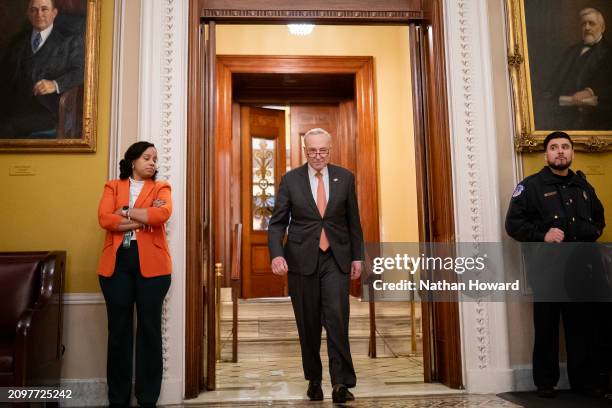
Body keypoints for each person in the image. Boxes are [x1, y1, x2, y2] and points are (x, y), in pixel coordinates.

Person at [505, 131, 605, 398]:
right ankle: (545, 383)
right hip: (547, 270)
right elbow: (513, 224)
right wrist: (543, 235)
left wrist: (590, 233)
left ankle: (584, 382)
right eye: (554, 147)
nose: (560, 151)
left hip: (582, 271)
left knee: (582, 328)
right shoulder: (531, 186)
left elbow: (599, 219)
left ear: (571, 152)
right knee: (547, 328)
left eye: (565, 147)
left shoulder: (583, 186)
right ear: (546, 154)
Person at [268, 128, 364, 403]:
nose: (318, 156)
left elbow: (353, 222)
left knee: (337, 320)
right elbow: (277, 224)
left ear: (330, 149)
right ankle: (314, 380)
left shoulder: (345, 177)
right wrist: (277, 254)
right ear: (305, 150)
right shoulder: (290, 180)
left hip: (336, 258)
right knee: (308, 324)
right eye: (312, 151)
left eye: (323, 151)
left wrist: (357, 256)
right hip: (301, 260)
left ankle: (341, 384)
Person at [97, 141, 172, 408]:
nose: (152, 162)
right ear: (132, 161)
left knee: (150, 330)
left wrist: (125, 212)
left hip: (153, 267)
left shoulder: (161, 187)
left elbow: (161, 214)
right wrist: (142, 218)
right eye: (146, 158)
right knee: (119, 331)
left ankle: (148, 398)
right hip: (116, 265)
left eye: (154, 159)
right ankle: (117, 399)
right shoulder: (113, 186)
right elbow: (105, 219)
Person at [0, 0, 84, 138]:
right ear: (28, 14)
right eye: (34, 10)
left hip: (47, 110)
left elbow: (81, 71)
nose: (39, 14)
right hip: (14, 107)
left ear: (54, 13)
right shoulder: (17, 42)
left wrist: (55, 84)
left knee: (9, 127)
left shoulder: (69, 41)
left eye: (44, 9)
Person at [537, 8, 612, 130]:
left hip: (591, 116)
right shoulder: (571, 51)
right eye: (583, 24)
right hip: (561, 110)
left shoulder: (609, 53)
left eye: (591, 23)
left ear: (602, 28)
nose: (587, 28)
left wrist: (590, 91)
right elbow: (556, 80)